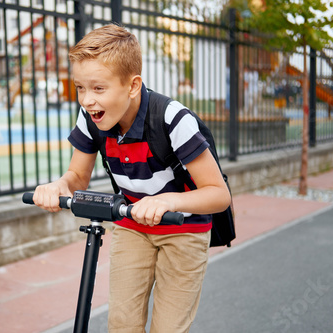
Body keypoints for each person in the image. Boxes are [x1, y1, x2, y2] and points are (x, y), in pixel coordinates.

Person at [32, 24, 231, 332]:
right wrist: (59, 185)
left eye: (98, 88)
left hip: (184, 228)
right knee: (122, 323)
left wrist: (167, 201)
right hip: (133, 225)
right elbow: (77, 177)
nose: (86, 100)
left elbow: (218, 194)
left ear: (133, 85)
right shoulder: (91, 117)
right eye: (80, 88)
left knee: (167, 327)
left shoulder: (173, 119)